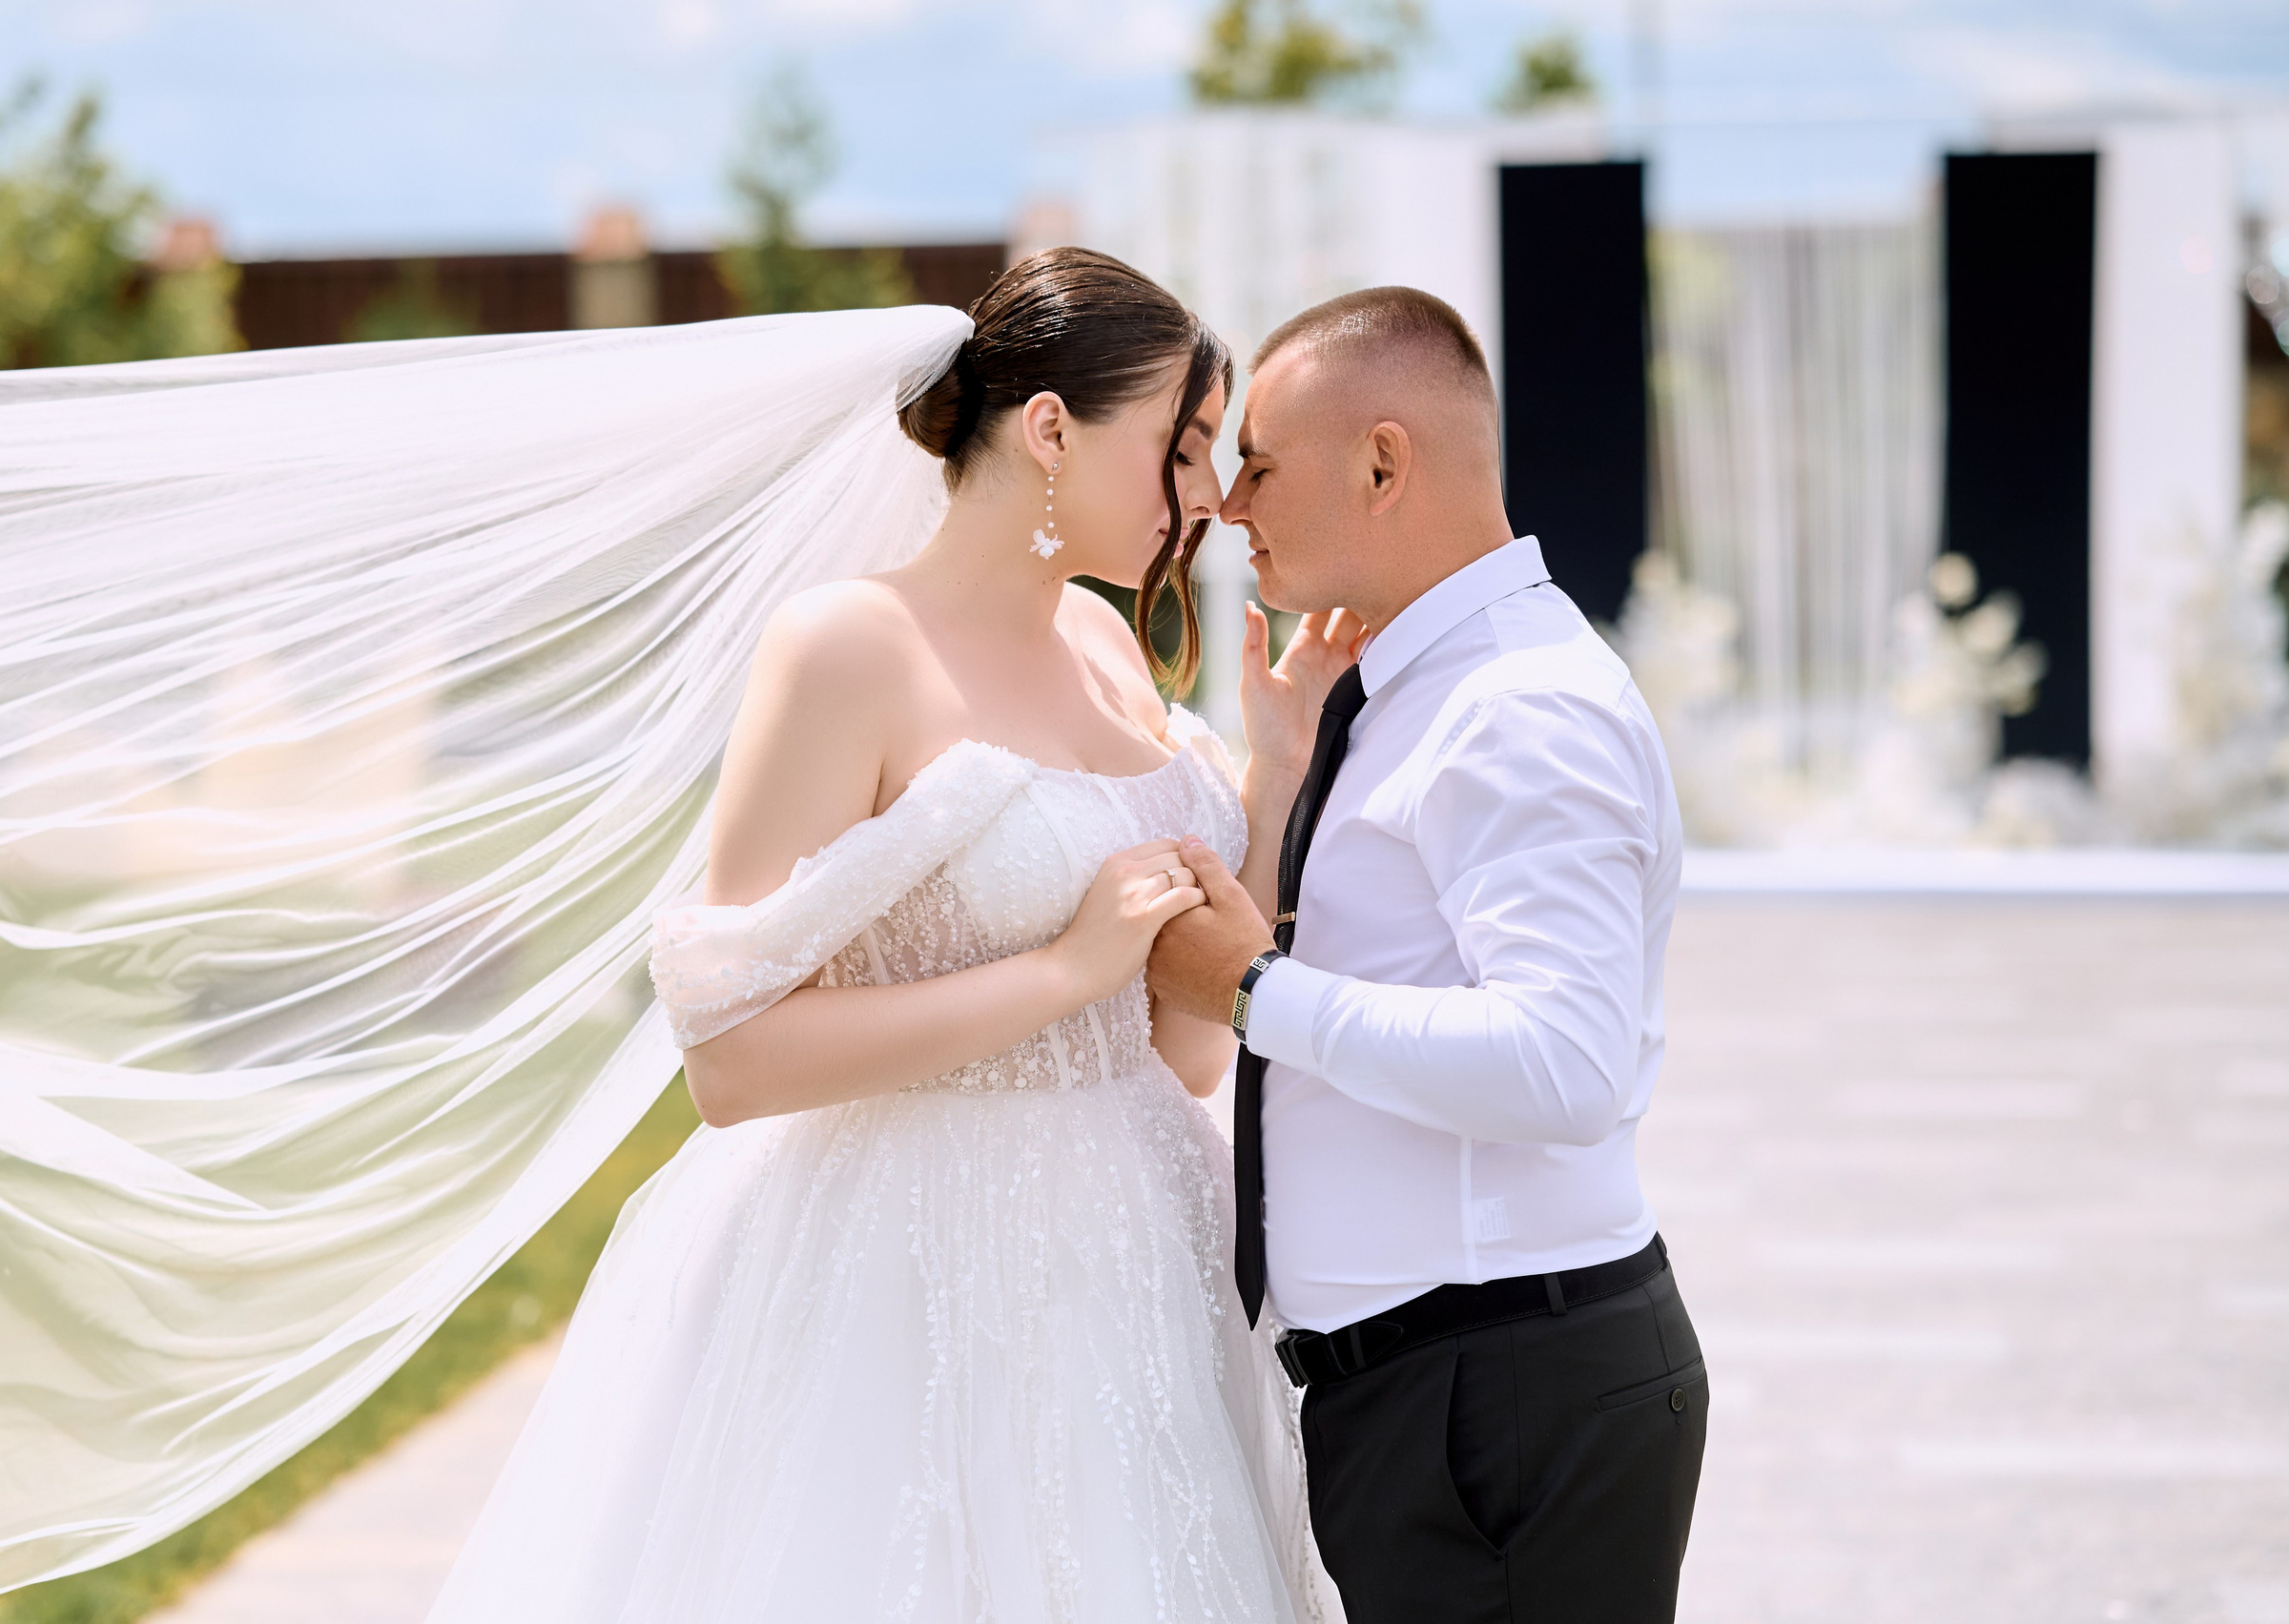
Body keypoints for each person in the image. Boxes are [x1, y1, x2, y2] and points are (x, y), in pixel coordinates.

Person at [422, 249, 1339, 1623]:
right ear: (1048, 431)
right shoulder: (847, 650)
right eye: (1182, 449)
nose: (1208, 500)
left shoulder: (1105, 650)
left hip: (1139, 1269)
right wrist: (1056, 973)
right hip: (901, 1274)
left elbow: (1188, 1053)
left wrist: (1269, 778)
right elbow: (728, 1062)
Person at [1148, 287, 1705, 1623]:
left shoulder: (1516, 711)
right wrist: (1280, 775)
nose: (1230, 506)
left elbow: (1566, 1066)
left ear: (1384, 462)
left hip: (1501, 1396)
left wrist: (1257, 990)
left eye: (1262, 466)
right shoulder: (1437, 691)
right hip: (1457, 1390)